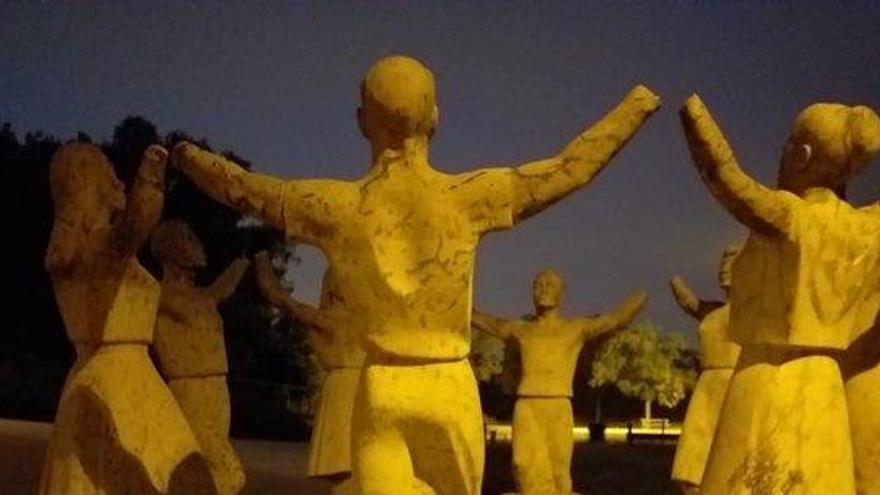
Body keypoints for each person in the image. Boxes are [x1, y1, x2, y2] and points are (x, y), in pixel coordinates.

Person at [170, 55, 660, 494]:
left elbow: (247, 190)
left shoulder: (336, 208)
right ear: (436, 120)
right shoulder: (469, 198)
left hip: (383, 386)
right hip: (449, 384)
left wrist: (185, 156)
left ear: (363, 123)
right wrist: (635, 107)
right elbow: (571, 168)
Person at [680, 95, 880, 495]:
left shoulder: (790, 215)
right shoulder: (867, 228)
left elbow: (729, 180)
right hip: (826, 390)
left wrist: (693, 117)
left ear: (801, 155)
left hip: (766, 379)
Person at [40, 143, 212, 494]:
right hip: (114, 381)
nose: (119, 182)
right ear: (86, 184)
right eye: (110, 174)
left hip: (128, 376)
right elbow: (136, 224)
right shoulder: (94, 249)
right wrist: (150, 174)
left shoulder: (89, 251)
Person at [472, 269, 646, 495]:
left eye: (550, 284)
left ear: (562, 291)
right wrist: (455, 300)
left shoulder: (575, 328)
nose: (543, 288)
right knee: (522, 463)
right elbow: (484, 320)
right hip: (527, 405)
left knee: (558, 468)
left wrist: (641, 296)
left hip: (559, 405)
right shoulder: (520, 329)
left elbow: (615, 320)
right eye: (538, 284)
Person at [151, 220, 249, 495]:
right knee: (227, 473)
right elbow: (214, 295)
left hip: (216, 390)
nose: (200, 246)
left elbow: (218, 291)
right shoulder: (159, 294)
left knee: (202, 468)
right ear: (171, 250)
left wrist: (243, 263)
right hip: (189, 390)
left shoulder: (199, 295)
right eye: (190, 240)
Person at [255, 251, 363, 495]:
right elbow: (278, 297)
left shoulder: (359, 320)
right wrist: (260, 257)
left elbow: (279, 297)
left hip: (362, 392)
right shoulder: (331, 320)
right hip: (345, 396)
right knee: (347, 474)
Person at [668, 244, 741, 494]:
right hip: (707, 389)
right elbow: (688, 301)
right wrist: (671, 272)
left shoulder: (759, 311)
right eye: (722, 262)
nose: (723, 269)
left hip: (738, 386)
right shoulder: (712, 311)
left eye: (731, 261)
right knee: (693, 466)